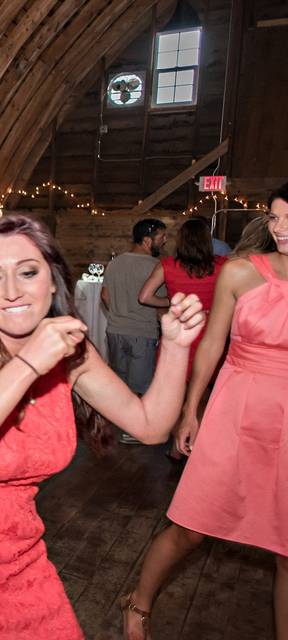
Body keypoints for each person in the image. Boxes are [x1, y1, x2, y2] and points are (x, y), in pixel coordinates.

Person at [0, 215, 204, 640]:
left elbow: (149, 426)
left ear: (54, 282)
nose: (13, 291)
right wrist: (26, 365)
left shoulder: (70, 353)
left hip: (19, 547)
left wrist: (175, 347)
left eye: (27, 272)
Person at [121, 184, 288, 640]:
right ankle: (138, 604)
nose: (280, 228)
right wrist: (191, 410)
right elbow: (213, 343)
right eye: (274, 218)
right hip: (237, 406)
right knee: (192, 525)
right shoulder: (238, 272)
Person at [102, 218, 167, 443]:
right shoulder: (155, 268)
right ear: (147, 240)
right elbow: (158, 304)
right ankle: (135, 431)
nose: (165, 241)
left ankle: (117, 424)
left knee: (120, 382)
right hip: (142, 332)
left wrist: (120, 313)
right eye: (162, 237)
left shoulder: (115, 263)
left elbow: (104, 296)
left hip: (115, 330)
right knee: (141, 385)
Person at [138, 217, 226, 379]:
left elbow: (144, 297)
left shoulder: (167, 265)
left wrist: (168, 301)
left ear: (181, 240)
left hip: (179, 330)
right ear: (208, 240)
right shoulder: (223, 265)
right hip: (210, 332)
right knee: (205, 386)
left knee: (174, 386)